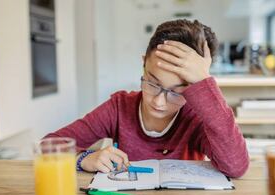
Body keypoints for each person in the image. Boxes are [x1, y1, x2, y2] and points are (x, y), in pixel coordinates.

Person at [45, 19, 249, 178]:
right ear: (144, 63)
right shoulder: (119, 108)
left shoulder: (196, 115)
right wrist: (83, 159)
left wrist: (204, 82)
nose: (159, 102)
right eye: (152, 83)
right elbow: (49, 146)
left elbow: (236, 167)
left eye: (177, 92)